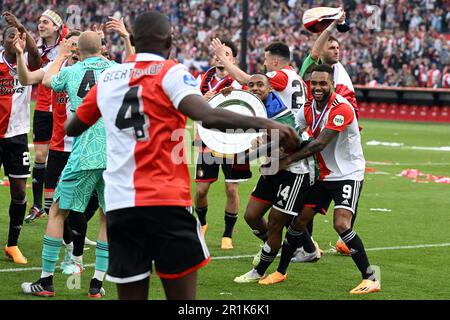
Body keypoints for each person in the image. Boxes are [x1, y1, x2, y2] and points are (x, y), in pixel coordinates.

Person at [64, 11, 300, 300]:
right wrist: (267, 123)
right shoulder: (171, 72)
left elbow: (74, 126)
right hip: (167, 201)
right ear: (170, 43)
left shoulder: (109, 76)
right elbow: (207, 116)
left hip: (121, 203)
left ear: (134, 40)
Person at [21, 31, 116, 298]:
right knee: (107, 220)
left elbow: (49, 81)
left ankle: (46, 282)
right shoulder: (116, 70)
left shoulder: (73, 71)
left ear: (77, 50)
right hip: (113, 156)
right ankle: (96, 286)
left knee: (57, 213)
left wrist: (61, 55)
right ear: (103, 48)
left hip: (83, 152)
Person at [276, 64, 380, 294]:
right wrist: (272, 145)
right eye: (314, 83)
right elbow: (292, 131)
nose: (318, 87)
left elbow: (320, 143)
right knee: (298, 221)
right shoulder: (308, 108)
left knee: (341, 223)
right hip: (324, 175)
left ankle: (371, 278)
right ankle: (280, 272)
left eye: (323, 83)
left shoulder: (342, 107)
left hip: (347, 174)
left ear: (332, 84)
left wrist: (287, 160)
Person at [233, 73, 315, 285]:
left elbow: (294, 143)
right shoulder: (253, 108)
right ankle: (271, 247)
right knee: (251, 215)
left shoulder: (279, 113)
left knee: (276, 223)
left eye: (260, 84)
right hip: (273, 167)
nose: (255, 88)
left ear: (269, 89)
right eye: (251, 85)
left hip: (295, 170)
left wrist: (258, 151)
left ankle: (259, 270)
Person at [298, 11, 357, 255]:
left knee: (348, 189)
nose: (336, 51)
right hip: (309, 139)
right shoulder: (311, 68)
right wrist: (332, 23)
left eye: (337, 48)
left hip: (334, 140)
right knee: (306, 199)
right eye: (330, 47)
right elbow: (315, 50)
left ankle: (341, 239)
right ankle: (308, 245)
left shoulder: (339, 73)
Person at [194, 38, 250, 250]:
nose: (220, 58)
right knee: (201, 189)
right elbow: (191, 109)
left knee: (231, 188)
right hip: (208, 140)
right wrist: (202, 100)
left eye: (225, 54)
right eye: (217, 54)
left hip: (234, 141)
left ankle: (228, 234)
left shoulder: (239, 81)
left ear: (233, 59)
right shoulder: (201, 79)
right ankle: (202, 222)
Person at [0, 16, 40, 264]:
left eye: (17, 36)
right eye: (9, 36)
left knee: (18, 190)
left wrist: (24, 31)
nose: (13, 39)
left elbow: (36, 57)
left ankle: (12, 245)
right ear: (2, 41)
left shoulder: (26, 60)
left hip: (17, 136)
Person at [26, 9, 68, 221]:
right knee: (41, 156)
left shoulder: (67, 41)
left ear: (57, 26)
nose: (40, 25)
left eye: (45, 22)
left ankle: (59, 206)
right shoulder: (36, 48)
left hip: (63, 105)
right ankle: (36, 206)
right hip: (43, 106)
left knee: (60, 156)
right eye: (39, 22)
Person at [211, 39, 307, 115]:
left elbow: (244, 80)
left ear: (275, 62)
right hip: (296, 128)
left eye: (266, 59)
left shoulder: (281, 76)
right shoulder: (297, 77)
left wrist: (222, 57)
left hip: (287, 127)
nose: (264, 64)